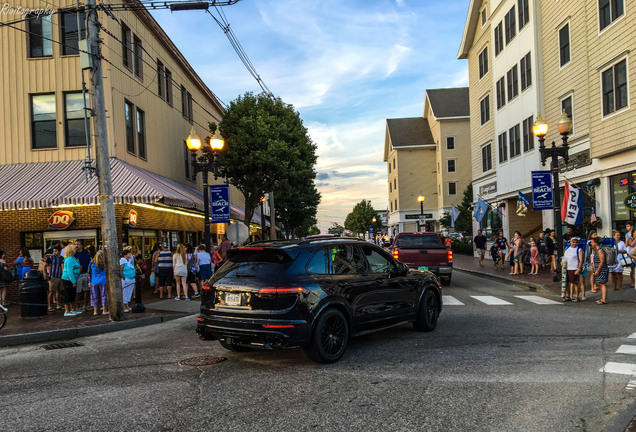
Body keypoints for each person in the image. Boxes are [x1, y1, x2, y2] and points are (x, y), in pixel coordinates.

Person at [61, 244, 81, 317]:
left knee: (73, 294)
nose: (76, 250)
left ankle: (73, 309)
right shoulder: (69, 259)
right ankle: (67, 310)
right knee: (68, 294)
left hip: (73, 279)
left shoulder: (73, 258)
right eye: (74, 249)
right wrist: (73, 281)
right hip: (68, 279)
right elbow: (70, 272)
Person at [563, 237, 584, 302]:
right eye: (573, 242)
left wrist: (578, 269)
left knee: (575, 283)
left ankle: (576, 296)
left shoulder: (579, 250)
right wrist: (562, 262)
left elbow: (581, 260)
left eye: (576, 242)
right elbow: (564, 258)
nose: (575, 243)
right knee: (566, 283)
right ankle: (568, 295)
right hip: (567, 268)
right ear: (570, 242)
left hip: (574, 268)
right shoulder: (567, 249)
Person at [45, 245, 64, 311]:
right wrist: (45, 274)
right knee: (51, 291)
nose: (54, 252)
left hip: (60, 276)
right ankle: (49, 306)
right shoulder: (50, 258)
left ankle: (58, 304)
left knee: (59, 291)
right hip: (53, 276)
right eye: (54, 251)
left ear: (59, 251)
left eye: (56, 251)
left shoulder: (62, 258)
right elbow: (44, 265)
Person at [74, 240, 91, 311]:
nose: (76, 246)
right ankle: (77, 306)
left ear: (81, 245)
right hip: (78, 274)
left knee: (87, 290)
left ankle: (85, 305)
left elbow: (89, 261)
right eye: (75, 244)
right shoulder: (74, 254)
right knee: (78, 291)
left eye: (78, 244)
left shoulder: (86, 252)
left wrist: (89, 270)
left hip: (85, 272)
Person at [590, 237, 609, 304]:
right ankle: (602, 298)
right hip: (600, 269)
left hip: (602, 270)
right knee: (601, 284)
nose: (591, 243)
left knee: (602, 284)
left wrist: (598, 270)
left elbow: (602, 261)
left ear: (596, 243)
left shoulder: (600, 251)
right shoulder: (596, 250)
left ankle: (604, 299)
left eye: (592, 242)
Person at [89, 250, 108, 315]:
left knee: (94, 296)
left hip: (94, 281)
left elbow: (89, 271)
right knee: (104, 296)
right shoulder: (105, 262)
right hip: (103, 280)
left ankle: (95, 311)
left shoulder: (92, 262)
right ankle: (104, 310)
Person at [120, 246, 136, 312]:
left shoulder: (129, 260)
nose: (130, 255)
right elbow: (120, 270)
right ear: (125, 255)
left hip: (131, 278)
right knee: (125, 293)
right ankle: (124, 307)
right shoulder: (122, 261)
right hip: (126, 279)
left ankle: (127, 305)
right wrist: (124, 278)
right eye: (129, 254)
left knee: (129, 292)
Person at [625, 221, 635, 289]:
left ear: (632, 226)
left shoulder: (634, 233)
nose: (627, 228)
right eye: (626, 226)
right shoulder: (627, 235)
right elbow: (627, 244)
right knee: (632, 268)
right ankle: (633, 282)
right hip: (630, 251)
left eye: (628, 226)